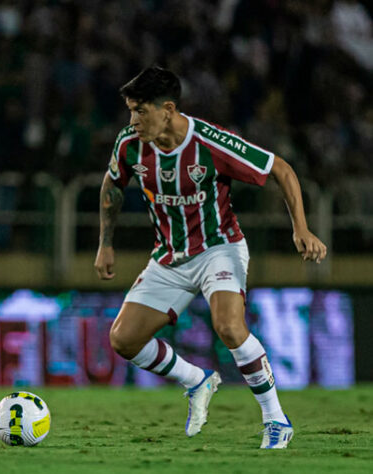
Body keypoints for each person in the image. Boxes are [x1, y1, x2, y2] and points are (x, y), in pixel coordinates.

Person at [95, 66, 327, 449]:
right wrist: (106, 242)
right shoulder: (128, 144)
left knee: (230, 327)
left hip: (219, 248)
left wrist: (300, 228)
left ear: (167, 109)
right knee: (123, 339)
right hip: (169, 257)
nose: (133, 120)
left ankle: (276, 419)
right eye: (130, 111)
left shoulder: (210, 142)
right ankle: (197, 381)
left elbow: (281, 170)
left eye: (140, 111)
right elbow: (112, 184)